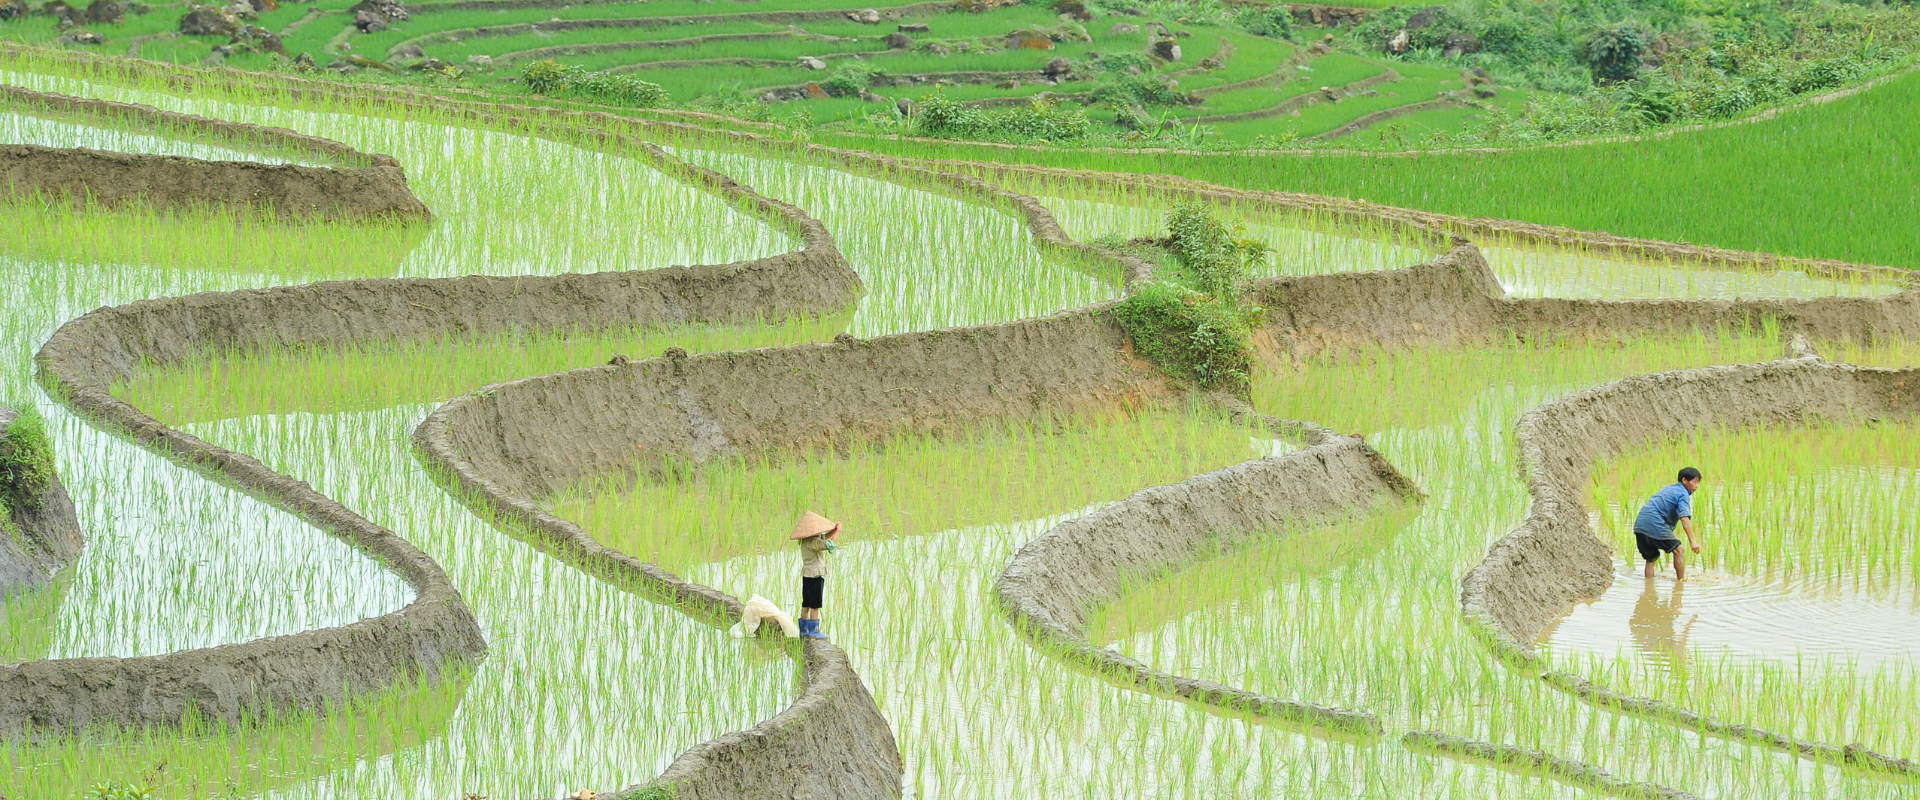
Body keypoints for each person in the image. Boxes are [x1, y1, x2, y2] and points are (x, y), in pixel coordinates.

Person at [1632, 467, 1703, 579]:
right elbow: (1684, 518)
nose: (1697, 486)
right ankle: (1681, 583)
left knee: (1651, 559)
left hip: (1640, 525)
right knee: (1679, 550)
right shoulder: (1682, 494)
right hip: (1654, 522)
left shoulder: (1669, 489)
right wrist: (1692, 541)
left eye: (1698, 483)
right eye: (1695, 482)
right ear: (1684, 480)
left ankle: (1649, 587)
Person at [790, 510, 842, 639]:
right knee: (815, 604)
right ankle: (814, 630)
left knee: (806, 603)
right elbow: (830, 544)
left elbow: (824, 538)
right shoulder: (814, 543)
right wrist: (839, 531)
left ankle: (804, 630)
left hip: (807, 575)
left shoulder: (806, 540)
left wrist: (833, 530)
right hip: (816, 575)